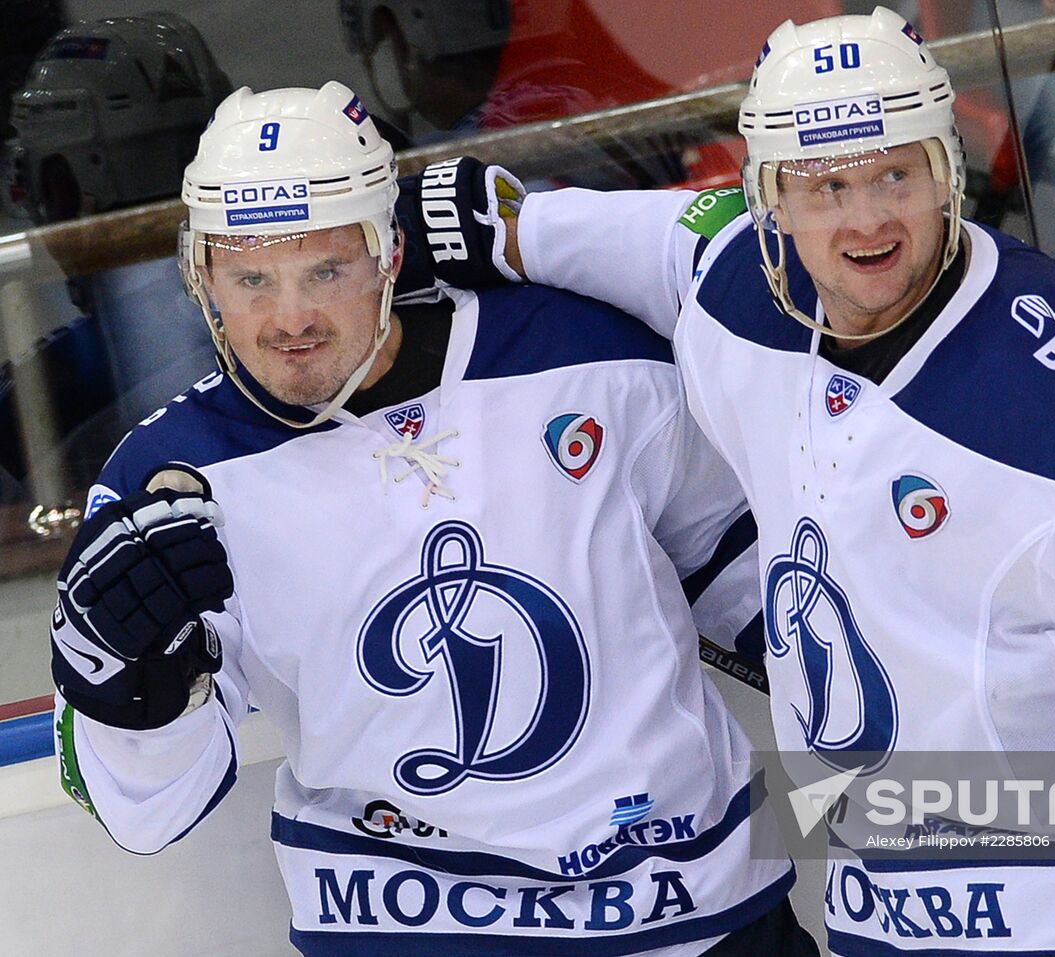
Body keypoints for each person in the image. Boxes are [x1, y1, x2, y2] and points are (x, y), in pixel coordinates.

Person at [393, 8, 1055, 955]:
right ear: (771, 201)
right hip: (877, 914)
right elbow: (636, 237)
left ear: (947, 171)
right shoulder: (734, 289)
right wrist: (478, 225)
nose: (866, 218)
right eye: (825, 185)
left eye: (895, 174)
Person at [48, 80, 818, 957]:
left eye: (326, 270)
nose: (289, 318)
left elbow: (747, 578)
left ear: (391, 251)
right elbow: (145, 811)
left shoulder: (580, 353)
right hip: (407, 932)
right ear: (204, 279)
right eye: (251, 277)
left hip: (694, 916)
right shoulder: (172, 485)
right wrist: (123, 688)